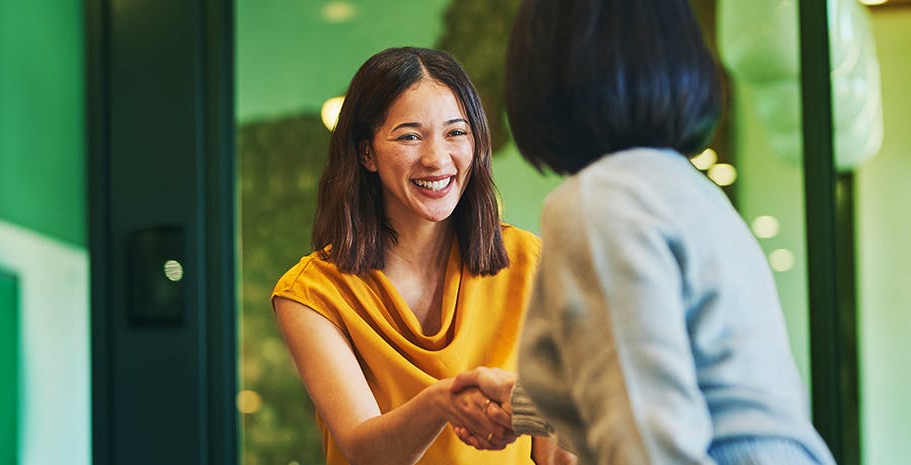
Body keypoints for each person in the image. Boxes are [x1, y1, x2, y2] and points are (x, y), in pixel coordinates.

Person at [451, 0, 839, 464]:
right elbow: (690, 389)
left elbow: (648, 441)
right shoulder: (689, 190)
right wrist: (522, 406)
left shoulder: (600, 203)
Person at [271, 46, 569, 465]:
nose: (436, 158)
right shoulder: (311, 293)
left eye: (456, 132)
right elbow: (365, 452)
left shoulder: (529, 260)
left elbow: (558, 455)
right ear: (366, 154)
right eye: (410, 135)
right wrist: (443, 402)